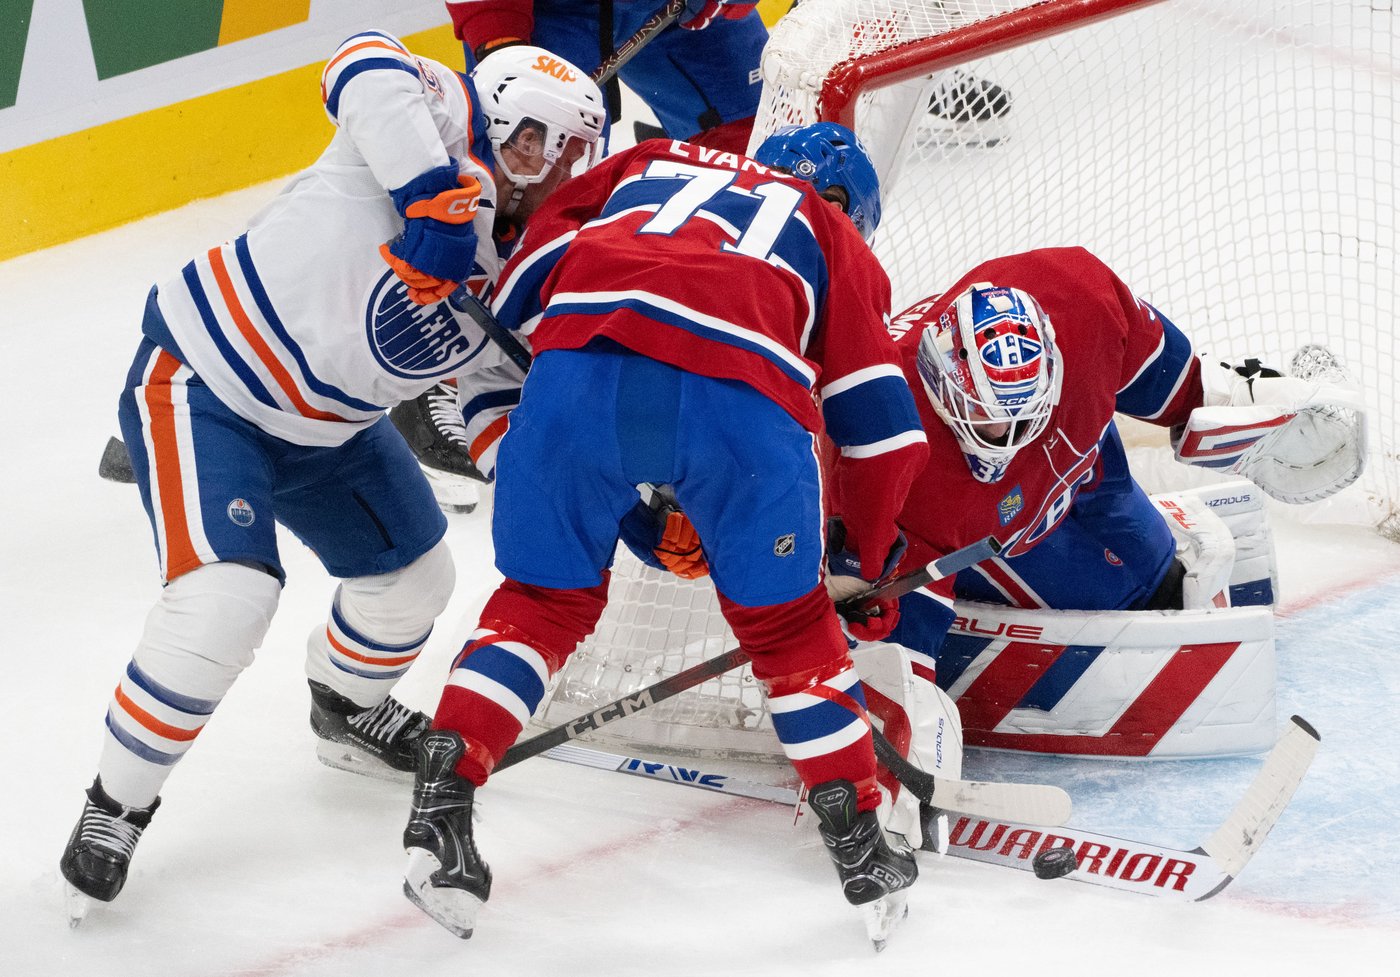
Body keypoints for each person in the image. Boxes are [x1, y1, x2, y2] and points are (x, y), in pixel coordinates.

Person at [58, 33, 605, 918]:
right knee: (228, 599)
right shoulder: (433, 117)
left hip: (329, 433)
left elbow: (497, 397)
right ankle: (116, 801)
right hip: (206, 382)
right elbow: (360, 59)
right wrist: (430, 200)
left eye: (575, 153)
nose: (550, 168)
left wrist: (575, 488)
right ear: (495, 117)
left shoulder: (529, 267)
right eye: (537, 141)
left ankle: (345, 707)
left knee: (416, 579)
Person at [398, 122, 930, 942]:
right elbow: (884, 434)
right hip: (740, 408)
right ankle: (860, 845)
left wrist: (617, 489)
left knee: (541, 601)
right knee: (790, 631)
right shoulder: (832, 238)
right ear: (853, 214)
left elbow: (522, 296)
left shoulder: (647, 161)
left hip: (577, 368)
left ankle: (446, 789)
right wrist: (862, 550)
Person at [829, 247, 1362, 840]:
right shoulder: (892, 452)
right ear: (941, 389)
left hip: (1080, 452)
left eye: (1025, 414)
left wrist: (1257, 411)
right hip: (990, 530)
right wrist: (894, 738)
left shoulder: (1079, 296)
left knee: (1156, 578)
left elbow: (1180, 384)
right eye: (992, 424)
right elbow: (899, 616)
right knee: (1126, 597)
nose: (1013, 437)